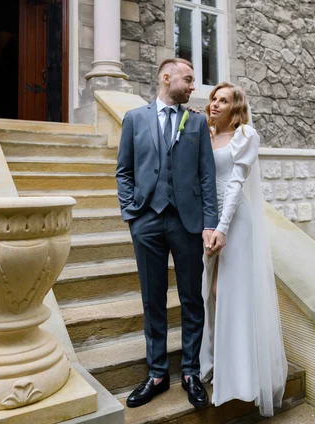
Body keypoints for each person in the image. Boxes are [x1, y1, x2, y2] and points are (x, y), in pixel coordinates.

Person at [116, 58, 218, 408]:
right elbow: (124, 171)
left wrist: (210, 223)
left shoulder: (198, 122)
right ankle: (157, 373)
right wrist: (131, 212)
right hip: (146, 220)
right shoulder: (134, 119)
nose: (193, 86)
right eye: (188, 79)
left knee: (192, 299)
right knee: (152, 299)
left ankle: (190, 372)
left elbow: (206, 176)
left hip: (187, 222)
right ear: (166, 77)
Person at [200, 81, 288, 417]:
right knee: (208, 294)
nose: (215, 104)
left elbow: (235, 183)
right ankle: (213, 364)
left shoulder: (245, 136)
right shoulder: (206, 135)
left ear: (236, 108)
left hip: (235, 224)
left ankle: (240, 377)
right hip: (208, 225)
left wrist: (222, 228)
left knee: (229, 295)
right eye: (213, 99)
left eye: (223, 100)